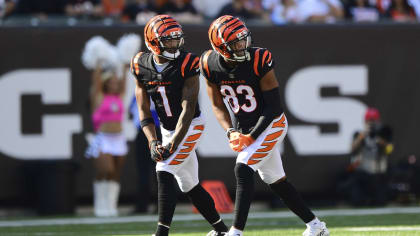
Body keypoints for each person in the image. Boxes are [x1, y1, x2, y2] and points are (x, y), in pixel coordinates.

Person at [201, 15, 329, 236]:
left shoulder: (259, 59)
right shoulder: (209, 63)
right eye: (235, 43)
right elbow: (217, 104)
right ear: (221, 47)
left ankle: (235, 232)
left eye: (243, 39)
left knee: (243, 167)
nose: (242, 45)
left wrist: (251, 137)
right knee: (276, 181)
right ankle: (316, 226)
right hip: (244, 128)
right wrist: (231, 131)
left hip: (272, 124)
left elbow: (274, 107)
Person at [131, 14, 228, 236]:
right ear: (153, 41)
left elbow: (188, 108)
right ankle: (222, 230)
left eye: (177, 39)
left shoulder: (188, 62)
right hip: (166, 129)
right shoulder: (140, 64)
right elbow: (144, 111)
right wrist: (153, 140)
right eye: (169, 40)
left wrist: (173, 143)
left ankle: (161, 233)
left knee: (163, 168)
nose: (175, 44)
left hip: (191, 125)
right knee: (189, 184)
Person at [85, 64, 128, 217]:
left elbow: (124, 84)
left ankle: (111, 206)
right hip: (103, 138)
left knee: (115, 173)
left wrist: (123, 67)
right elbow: (96, 82)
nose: (114, 84)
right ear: (105, 83)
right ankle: (99, 205)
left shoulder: (119, 97)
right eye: (111, 81)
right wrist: (97, 64)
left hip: (119, 138)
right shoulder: (99, 97)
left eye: (116, 82)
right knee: (105, 170)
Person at [346, 107, 393, 206]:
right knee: (357, 202)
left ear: (378, 120)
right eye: (369, 120)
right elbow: (351, 149)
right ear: (365, 121)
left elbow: (390, 149)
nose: (371, 123)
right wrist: (362, 136)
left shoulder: (384, 132)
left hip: (378, 172)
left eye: (373, 120)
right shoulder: (359, 134)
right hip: (362, 172)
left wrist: (380, 140)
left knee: (380, 202)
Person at [129, 95, 160, 213]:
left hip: (148, 131)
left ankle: (144, 206)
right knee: (159, 170)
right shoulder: (161, 89)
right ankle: (160, 205)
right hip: (154, 131)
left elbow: (131, 112)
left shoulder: (142, 92)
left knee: (149, 171)